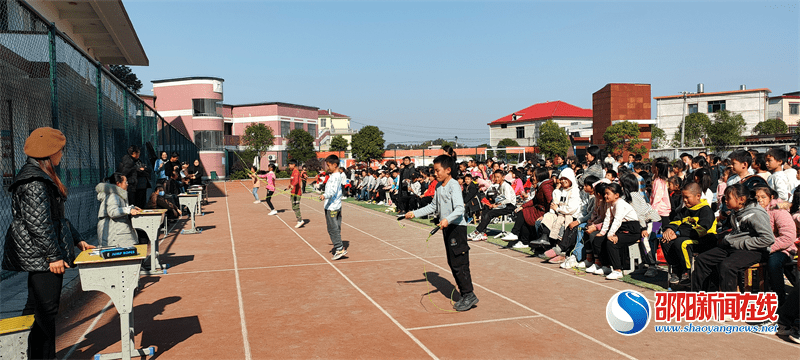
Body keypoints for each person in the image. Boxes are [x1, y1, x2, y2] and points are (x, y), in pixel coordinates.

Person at [2, 127, 95, 359]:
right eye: (60, 150)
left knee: (37, 308)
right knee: (46, 311)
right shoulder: (35, 181)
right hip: (43, 256)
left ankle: (29, 354)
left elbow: (56, 218)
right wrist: (53, 256)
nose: (61, 155)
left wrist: (77, 240)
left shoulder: (40, 176)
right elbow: (39, 224)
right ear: (50, 152)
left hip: (40, 254)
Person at [405, 154, 478, 311]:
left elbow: (460, 208)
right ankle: (465, 293)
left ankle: (469, 294)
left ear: (448, 170)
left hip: (457, 228)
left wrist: (447, 219)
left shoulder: (453, 186)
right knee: (452, 262)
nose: (435, 173)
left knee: (460, 262)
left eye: (437, 170)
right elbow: (433, 207)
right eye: (434, 170)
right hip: (447, 228)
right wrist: (414, 213)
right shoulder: (439, 187)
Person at [692, 184, 775, 292]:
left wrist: (739, 243)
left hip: (755, 250)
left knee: (727, 266)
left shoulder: (756, 214)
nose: (725, 201)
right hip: (735, 247)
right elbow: (738, 233)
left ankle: (728, 303)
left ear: (741, 199)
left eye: (728, 198)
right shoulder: (736, 212)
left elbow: (768, 239)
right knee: (702, 260)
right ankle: (700, 296)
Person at [660, 183, 717, 287]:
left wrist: (678, 233)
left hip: (705, 239)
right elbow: (676, 221)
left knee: (682, 243)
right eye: (683, 197)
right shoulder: (685, 210)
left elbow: (702, 230)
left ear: (698, 196)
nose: (684, 200)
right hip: (685, 236)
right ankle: (677, 269)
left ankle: (689, 272)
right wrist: (669, 230)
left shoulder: (706, 210)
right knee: (665, 240)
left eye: (687, 197)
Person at [753, 186, 796, 305]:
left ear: (771, 197)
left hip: (783, 248)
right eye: (757, 197)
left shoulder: (778, 211)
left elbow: (789, 236)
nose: (760, 200)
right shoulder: (754, 211)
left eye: (763, 197)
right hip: (762, 248)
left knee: (774, 264)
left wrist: (769, 248)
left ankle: (780, 299)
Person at [592, 182, 641, 280]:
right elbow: (607, 219)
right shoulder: (611, 205)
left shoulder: (620, 204)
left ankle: (617, 270)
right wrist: (602, 233)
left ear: (617, 195)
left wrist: (610, 234)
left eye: (608, 194)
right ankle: (606, 266)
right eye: (605, 193)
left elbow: (617, 220)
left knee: (611, 242)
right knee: (598, 240)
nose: (605, 196)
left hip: (631, 230)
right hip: (621, 229)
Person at [96, 173, 141, 247]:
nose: (127, 184)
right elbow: (112, 212)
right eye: (125, 182)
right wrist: (128, 210)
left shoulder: (117, 195)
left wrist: (131, 207)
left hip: (115, 233)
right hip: (113, 235)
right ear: (118, 184)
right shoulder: (113, 196)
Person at [469, 170, 516, 241]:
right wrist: (494, 204)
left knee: (490, 214)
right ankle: (482, 232)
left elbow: (508, 200)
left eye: (498, 177)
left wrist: (497, 205)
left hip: (510, 206)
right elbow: (500, 199)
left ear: (503, 177)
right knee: (485, 209)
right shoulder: (499, 186)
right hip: (503, 205)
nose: (496, 179)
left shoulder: (506, 186)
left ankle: (477, 232)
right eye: (495, 177)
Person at [319, 155, 347, 260]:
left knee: (332, 228)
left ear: (335, 165)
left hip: (332, 207)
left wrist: (325, 195)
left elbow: (333, 191)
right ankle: (339, 245)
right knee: (335, 227)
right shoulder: (334, 175)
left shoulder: (336, 177)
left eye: (328, 165)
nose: (327, 167)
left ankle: (339, 248)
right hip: (334, 206)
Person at [286, 160, 304, 228]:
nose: (289, 166)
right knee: (294, 206)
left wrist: (293, 185)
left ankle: (300, 220)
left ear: (294, 165)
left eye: (290, 165)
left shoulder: (296, 172)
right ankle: (299, 219)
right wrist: (289, 185)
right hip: (293, 192)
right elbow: (293, 181)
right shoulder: (293, 172)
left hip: (297, 193)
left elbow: (296, 181)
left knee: (295, 207)